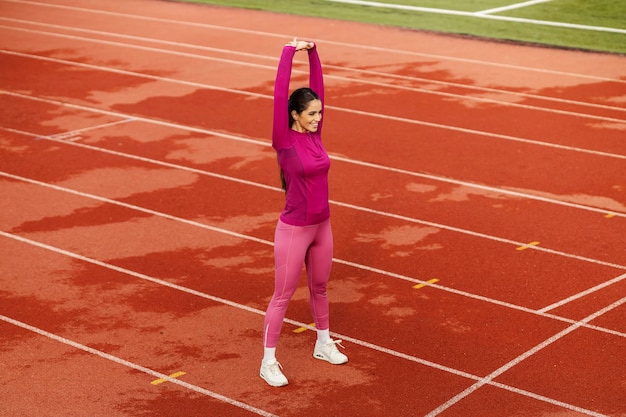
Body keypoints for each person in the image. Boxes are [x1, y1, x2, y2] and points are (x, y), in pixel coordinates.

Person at [260, 38, 348, 387]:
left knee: (321, 287)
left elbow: (319, 86)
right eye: (311, 113)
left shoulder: (316, 136)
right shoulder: (283, 140)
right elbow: (280, 93)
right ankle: (268, 361)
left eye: (320, 113)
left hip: (322, 226)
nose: (317, 118)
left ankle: (323, 343)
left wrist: (313, 54)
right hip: (295, 229)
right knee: (283, 295)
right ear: (294, 115)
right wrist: (287, 53)